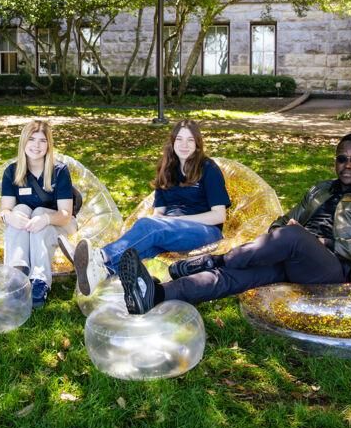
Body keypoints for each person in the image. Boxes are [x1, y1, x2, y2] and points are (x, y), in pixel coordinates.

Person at [119, 133, 351, 315]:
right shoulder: (320, 189)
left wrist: (319, 242)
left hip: (337, 271)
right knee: (238, 275)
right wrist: (288, 236)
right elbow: (279, 224)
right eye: (342, 158)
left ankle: (215, 259)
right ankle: (155, 294)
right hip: (297, 256)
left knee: (291, 237)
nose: (348, 165)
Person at [61, 119, 229, 296]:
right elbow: (159, 213)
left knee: (150, 226)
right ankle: (103, 272)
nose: (184, 145)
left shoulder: (208, 168)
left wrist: (172, 221)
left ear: (197, 143)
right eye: (179, 139)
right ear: (172, 142)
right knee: (145, 246)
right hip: (171, 230)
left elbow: (219, 216)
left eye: (190, 140)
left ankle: (100, 256)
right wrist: (161, 222)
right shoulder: (167, 168)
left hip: (206, 231)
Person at [0, 120, 77, 307]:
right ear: (23, 142)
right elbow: (5, 208)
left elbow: (66, 214)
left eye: (42, 141)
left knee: (40, 212)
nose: (36, 145)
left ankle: (39, 281)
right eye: (32, 139)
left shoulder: (59, 171)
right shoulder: (12, 172)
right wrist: (10, 217)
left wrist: (44, 218)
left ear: (48, 145)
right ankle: (16, 274)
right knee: (19, 210)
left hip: (60, 223)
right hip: (28, 224)